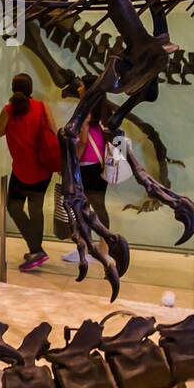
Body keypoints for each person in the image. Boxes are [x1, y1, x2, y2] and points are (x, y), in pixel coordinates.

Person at [0, 72, 57, 271]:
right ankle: (36, 250)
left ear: (13, 89)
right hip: (42, 170)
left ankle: (36, 249)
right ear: (31, 90)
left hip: (21, 171)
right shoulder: (42, 106)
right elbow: (54, 132)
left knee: (14, 208)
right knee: (36, 210)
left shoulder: (8, 110)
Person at [62, 74, 113, 266]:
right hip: (100, 164)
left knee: (83, 209)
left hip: (86, 165)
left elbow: (83, 140)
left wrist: (71, 160)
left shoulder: (87, 108)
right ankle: (102, 249)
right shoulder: (103, 106)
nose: (79, 87)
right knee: (98, 207)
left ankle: (85, 247)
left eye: (82, 84)